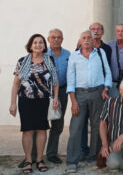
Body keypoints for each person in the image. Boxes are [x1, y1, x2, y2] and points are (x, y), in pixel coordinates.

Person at [9, 34, 59, 174]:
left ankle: (39, 159)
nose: (38, 45)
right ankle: (28, 160)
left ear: (44, 45)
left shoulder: (49, 61)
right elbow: (15, 85)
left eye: (41, 42)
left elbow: (55, 82)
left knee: (42, 129)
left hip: (43, 101)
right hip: (25, 101)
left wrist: (55, 98)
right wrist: (13, 103)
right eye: (35, 42)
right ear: (30, 45)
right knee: (27, 130)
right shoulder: (22, 61)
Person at [65, 30, 112, 173]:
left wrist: (106, 88)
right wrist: (73, 101)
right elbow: (70, 79)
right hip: (80, 94)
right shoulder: (74, 56)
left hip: (98, 92)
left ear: (93, 40)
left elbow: (108, 72)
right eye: (84, 37)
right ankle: (72, 161)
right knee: (76, 128)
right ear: (80, 40)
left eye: (89, 38)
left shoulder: (100, 53)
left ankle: (93, 157)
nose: (86, 40)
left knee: (98, 127)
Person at [79, 22, 113, 160]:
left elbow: (107, 70)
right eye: (92, 29)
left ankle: (96, 151)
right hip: (82, 90)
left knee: (97, 122)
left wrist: (106, 87)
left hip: (100, 89)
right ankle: (82, 150)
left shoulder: (105, 50)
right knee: (81, 122)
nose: (95, 32)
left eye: (98, 29)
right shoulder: (79, 50)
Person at [45, 29, 71, 164]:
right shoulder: (42, 54)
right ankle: (32, 156)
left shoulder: (68, 54)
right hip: (44, 93)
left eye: (59, 37)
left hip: (62, 92)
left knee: (57, 123)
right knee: (39, 124)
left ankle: (51, 153)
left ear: (62, 39)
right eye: (53, 37)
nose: (56, 39)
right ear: (48, 39)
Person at [107, 24, 123, 97]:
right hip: (113, 83)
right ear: (115, 33)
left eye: (122, 31)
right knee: (114, 106)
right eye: (118, 31)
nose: (120, 33)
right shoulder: (109, 45)